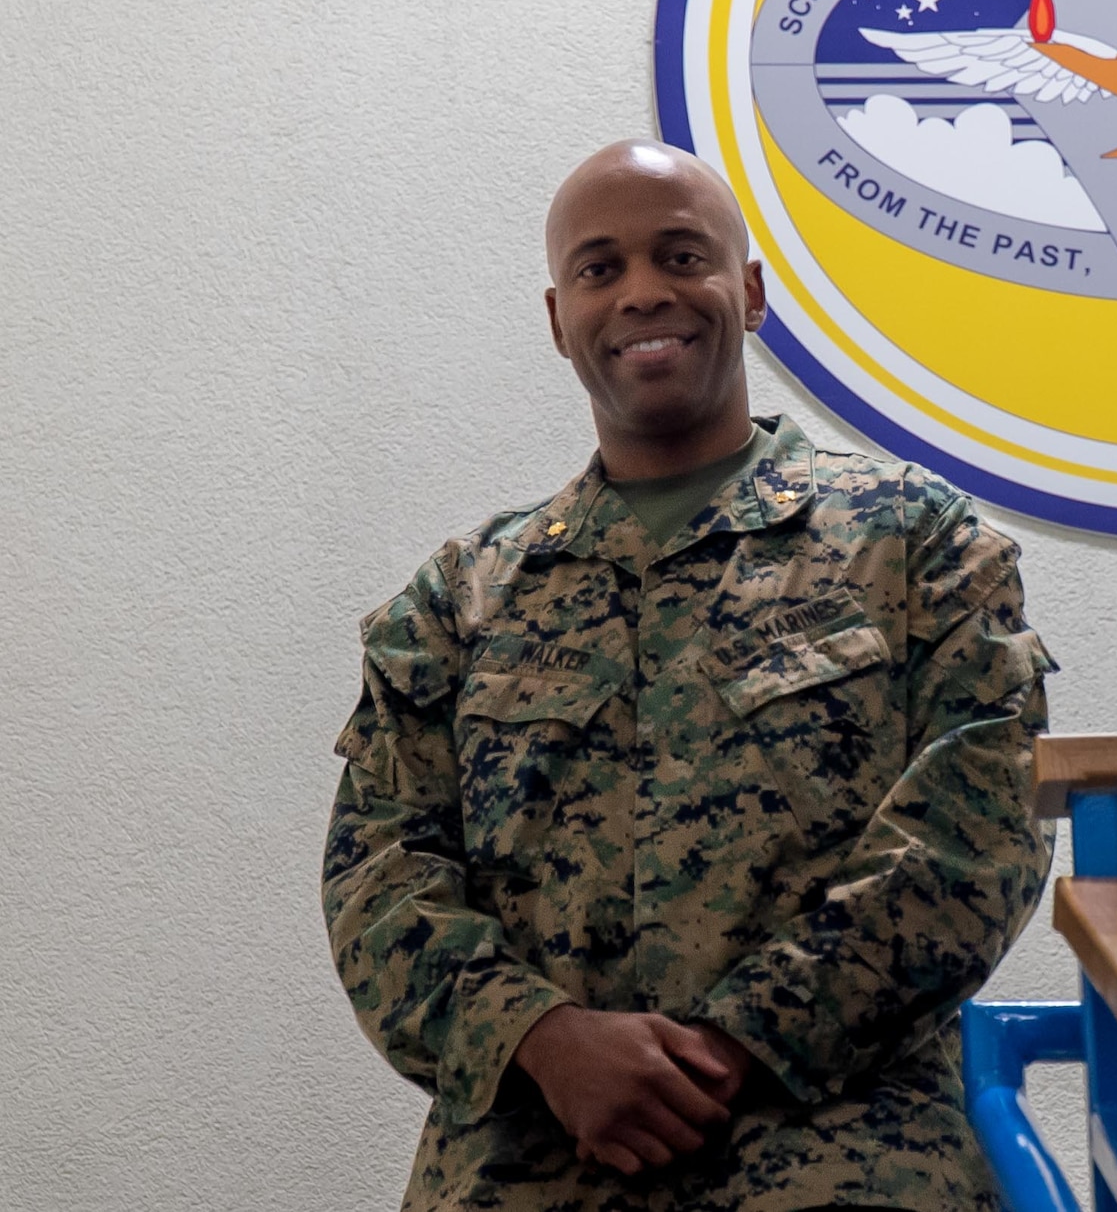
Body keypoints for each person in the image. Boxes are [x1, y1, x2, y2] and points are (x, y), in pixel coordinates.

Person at [322, 140, 1056, 1211]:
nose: (641, 293)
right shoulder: (461, 597)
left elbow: (978, 829)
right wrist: (546, 1040)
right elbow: (377, 875)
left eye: (680, 255)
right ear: (556, 317)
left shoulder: (914, 543)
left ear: (748, 292)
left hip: (844, 1159)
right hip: (526, 1169)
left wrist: (736, 1044)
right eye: (598, 269)